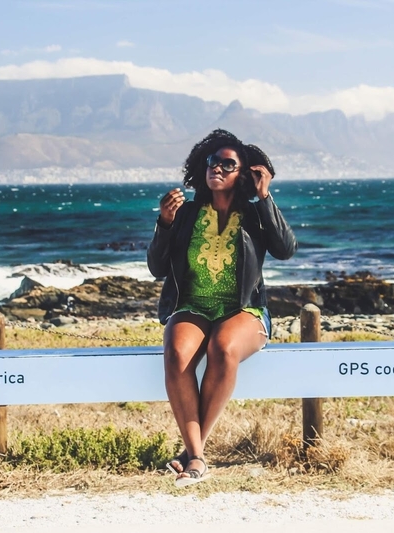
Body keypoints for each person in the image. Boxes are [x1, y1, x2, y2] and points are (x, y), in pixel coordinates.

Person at [147, 129, 298, 487]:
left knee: (223, 348)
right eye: (212, 161)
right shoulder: (185, 214)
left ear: (242, 173)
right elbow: (156, 268)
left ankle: (190, 454)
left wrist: (265, 196)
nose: (216, 167)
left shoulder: (255, 213)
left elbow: (285, 248)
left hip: (243, 310)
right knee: (176, 353)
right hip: (192, 306)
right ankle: (198, 457)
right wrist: (164, 224)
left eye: (227, 163)